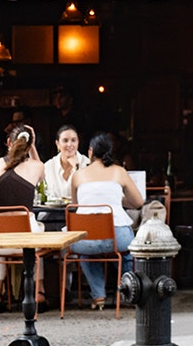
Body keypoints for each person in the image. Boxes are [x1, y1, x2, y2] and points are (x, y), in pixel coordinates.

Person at [69, 133, 144, 310]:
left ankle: (98, 296)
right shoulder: (119, 171)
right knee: (127, 251)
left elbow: (75, 205)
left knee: (87, 252)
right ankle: (128, 291)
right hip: (116, 237)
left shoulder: (78, 176)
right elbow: (139, 202)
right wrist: (118, 198)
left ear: (90, 151)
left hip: (85, 239)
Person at [0, 123, 46, 309]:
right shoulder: (36, 167)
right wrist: (32, 146)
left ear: (8, 142)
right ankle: (40, 290)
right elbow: (42, 177)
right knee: (40, 233)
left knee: (3, 229)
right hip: (27, 240)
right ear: (29, 144)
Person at [44, 125, 89, 202]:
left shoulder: (87, 163)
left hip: (78, 211)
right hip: (52, 211)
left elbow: (88, 192)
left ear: (78, 142)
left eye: (73, 140)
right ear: (57, 144)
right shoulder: (48, 166)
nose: (69, 144)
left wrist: (77, 168)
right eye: (65, 140)